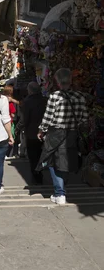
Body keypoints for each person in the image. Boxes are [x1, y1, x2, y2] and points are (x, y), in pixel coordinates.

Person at [37, 68, 89, 205]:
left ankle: (60, 193)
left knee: (52, 161)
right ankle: (61, 187)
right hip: (71, 133)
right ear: (70, 80)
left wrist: (41, 130)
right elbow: (84, 119)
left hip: (55, 133)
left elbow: (48, 118)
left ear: (58, 82)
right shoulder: (80, 96)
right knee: (65, 161)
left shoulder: (54, 97)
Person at [22, 82, 47, 184]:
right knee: (42, 153)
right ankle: (40, 170)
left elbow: (26, 118)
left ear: (30, 90)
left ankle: (36, 173)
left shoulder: (27, 101)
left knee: (33, 155)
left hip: (32, 132)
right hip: (45, 132)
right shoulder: (45, 100)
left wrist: (23, 129)